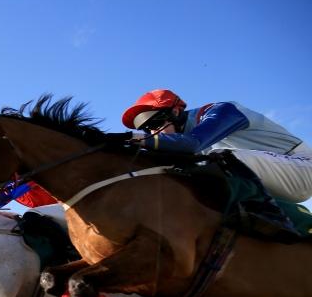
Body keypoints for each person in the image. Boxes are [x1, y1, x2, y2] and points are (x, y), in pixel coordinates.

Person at [122, 89, 312, 239]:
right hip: (270, 178)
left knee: (220, 159)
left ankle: (294, 220)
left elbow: (192, 143)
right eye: (146, 129)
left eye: (155, 124)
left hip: (302, 168)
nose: (153, 132)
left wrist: (131, 138)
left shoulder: (223, 110)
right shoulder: (179, 137)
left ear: (175, 111)